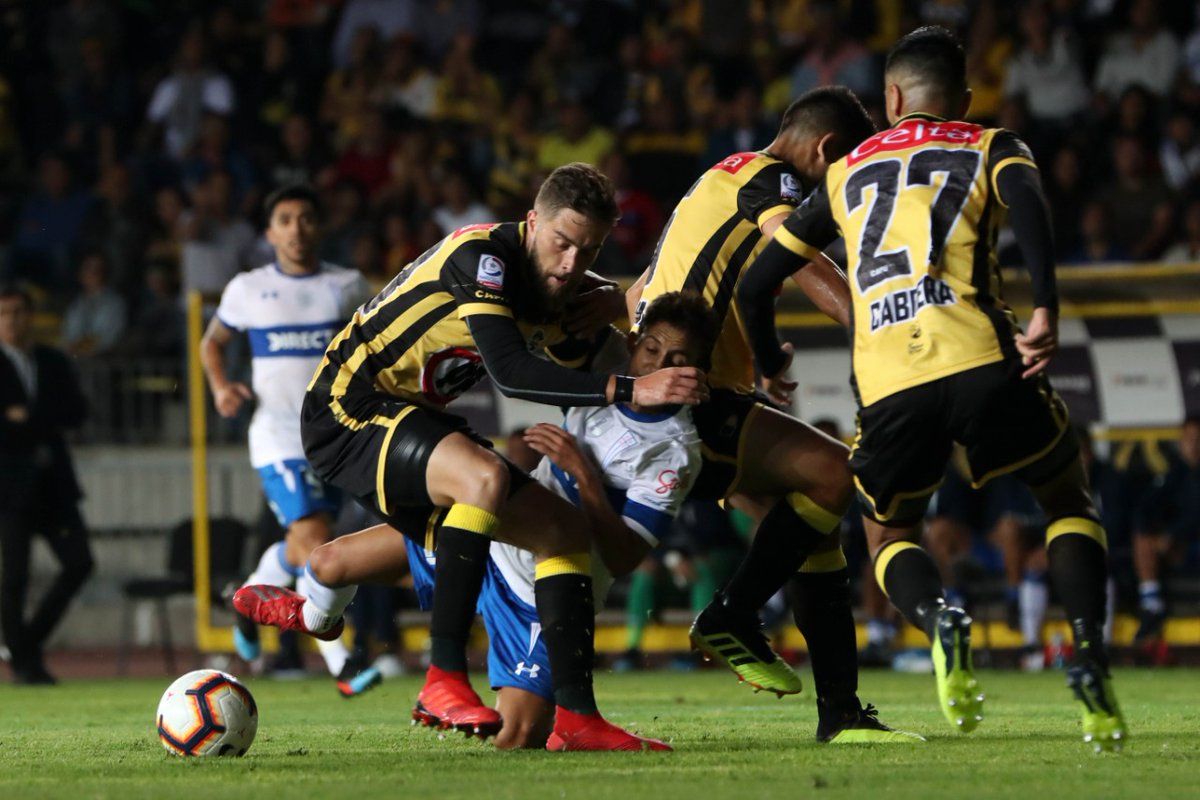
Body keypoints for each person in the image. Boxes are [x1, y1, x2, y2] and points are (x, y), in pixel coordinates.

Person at [736, 26, 1126, 751]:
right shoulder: (991, 144)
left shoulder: (846, 170)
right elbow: (1032, 207)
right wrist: (1047, 306)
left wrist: (768, 362)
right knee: (1066, 496)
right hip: (981, 353)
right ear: (966, 98)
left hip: (888, 382)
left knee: (888, 531)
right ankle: (1087, 653)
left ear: (889, 98)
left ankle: (943, 617)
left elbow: (759, 284)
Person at [236, 163, 706, 752]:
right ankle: (443, 676)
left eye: (587, 252)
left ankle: (580, 716)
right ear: (533, 222)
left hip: (416, 422)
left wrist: (614, 301)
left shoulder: (561, 291)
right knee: (481, 478)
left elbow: (619, 342)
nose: (570, 264)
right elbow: (510, 373)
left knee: (561, 532)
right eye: (561, 243)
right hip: (348, 408)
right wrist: (634, 389)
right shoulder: (483, 257)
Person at [626, 87, 913, 743]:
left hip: (679, 391)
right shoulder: (774, 178)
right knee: (837, 475)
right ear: (827, 152)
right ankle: (731, 614)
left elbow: (641, 292)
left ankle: (840, 712)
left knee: (811, 529)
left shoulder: (714, 182)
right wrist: (874, 327)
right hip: (688, 397)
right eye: (843, 171)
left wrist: (747, 362)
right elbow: (796, 251)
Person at [380, 291, 711, 748]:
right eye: (652, 349)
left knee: (518, 736)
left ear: (696, 371)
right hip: (495, 540)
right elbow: (557, 310)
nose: (658, 366)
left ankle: (566, 719)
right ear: (636, 342)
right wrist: (610, 299)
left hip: (544, 599)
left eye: (677, 360)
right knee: (333, 562)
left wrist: (584, 475)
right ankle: (314, 612)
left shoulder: (674, 449)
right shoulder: (605, 370)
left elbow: (622, 556)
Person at [200, 184, 377, 696]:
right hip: (277, 437)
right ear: (269, 232)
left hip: (337, 437)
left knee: (299, 545)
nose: (296, 228)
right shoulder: (248, 288)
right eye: (285, 219)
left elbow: (379, 345)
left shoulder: (346, 285)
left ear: (319, 227)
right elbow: (212, 341)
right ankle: (342, 664)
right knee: (315, 541)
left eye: (305, 218)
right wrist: (220, 386)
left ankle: (247, 605)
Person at [0, 284, 94, 685]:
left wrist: (26, 418)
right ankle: (24, 662)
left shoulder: (53, 361)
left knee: (80, 563)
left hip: (54, 486)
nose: (13, 321)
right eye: (4, 313)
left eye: (19, 312)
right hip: (8, 490)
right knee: (15, 576)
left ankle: (25, 645)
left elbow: (77, 410)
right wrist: (27, 421)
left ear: (31, 315)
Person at [1133, 416, 1200, 647]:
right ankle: (1151, 605)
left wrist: (1173, 533)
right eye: (1189, 439)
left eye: (1198, 439)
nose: (1193, 445)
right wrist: (1159, 532)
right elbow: (1146, 506)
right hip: (1179, 548)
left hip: (1190, 543)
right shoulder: (1175, 473)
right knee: (1143, 536)